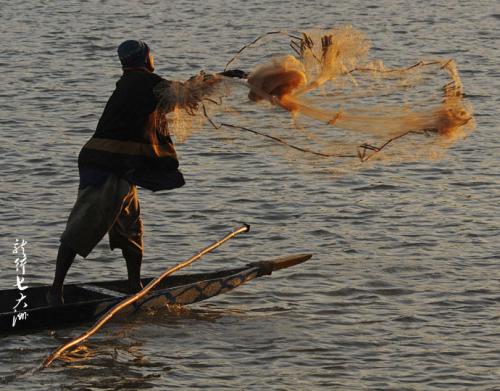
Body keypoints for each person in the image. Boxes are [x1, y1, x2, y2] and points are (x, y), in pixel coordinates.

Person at [47, 40, 245, 304]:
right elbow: (184, 91)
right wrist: (223, 77)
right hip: (106, 166)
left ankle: (133, 285)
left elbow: (177, 92)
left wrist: (221, 78)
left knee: (130, 227)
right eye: (151, 55)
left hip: (122, 167)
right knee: (83, 225)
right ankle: (55, 291)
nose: (154, 59)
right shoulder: (143, 84)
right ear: (145, 58)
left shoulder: (136, 84)